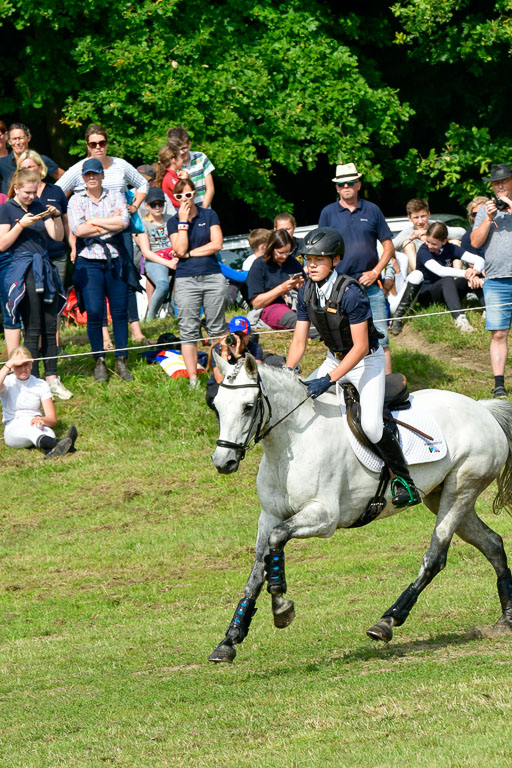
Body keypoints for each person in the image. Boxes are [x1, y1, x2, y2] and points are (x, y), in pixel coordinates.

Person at [286, 227, 420, 509]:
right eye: (308, 258)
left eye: (318, 259)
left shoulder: (351, 293)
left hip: (366, 363)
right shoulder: (305, 292)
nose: (311, 264)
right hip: (334, 359)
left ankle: (404, 480)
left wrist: (329, 378)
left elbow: (359, 347)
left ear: (335, 260)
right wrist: (288, 371)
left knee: (371, 426)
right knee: (298, 404)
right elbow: (299, 339)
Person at [57, 123, 150, 347]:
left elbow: (143, 183)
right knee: (96, 288)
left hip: (120, 230)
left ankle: (136, 330)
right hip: (90, 238)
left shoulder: (119, 165)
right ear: (87, 146)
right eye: (93, 144)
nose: (98, 147)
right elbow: (58, 191)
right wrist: (71, 227)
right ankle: (105, 336)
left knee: (126, 279)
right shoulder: (80, 169)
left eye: (102, 143)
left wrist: (134, 206)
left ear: (107, 143)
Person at [318, 163, 394, 373]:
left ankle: (387, 385)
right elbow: (320, 249)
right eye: (341, 184)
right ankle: (351, 381)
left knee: (381, 336)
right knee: (344, 339)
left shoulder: (372, 210)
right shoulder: (328, 213)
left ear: (358, 184)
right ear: (336, 188)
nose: (346, 187)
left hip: (369, 284)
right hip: (339, 286)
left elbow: (388, 245)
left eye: (350, 183)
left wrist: (376, 271)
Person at [67, 158, 134, 383]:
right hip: (89, 261)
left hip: (115, 259)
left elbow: (123, 222)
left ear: (102, 175)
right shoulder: (76, 200)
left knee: (120, 311)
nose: (92, 178)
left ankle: (121, 359)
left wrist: (94, 221)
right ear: (83, 178)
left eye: (95, 174)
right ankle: (99, 361)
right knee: (95, 312)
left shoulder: (115, 195)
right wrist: (108, 222)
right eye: (88, 175)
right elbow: (78, 229)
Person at [0, 169, 66, 391]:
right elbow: (2, 244)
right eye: (27, 192)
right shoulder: (6, 209)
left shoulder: (39, 206)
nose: (31, 196)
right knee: (32, 326)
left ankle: (52, 377)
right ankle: (32, 380)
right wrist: (21, 225)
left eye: (34, 191)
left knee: (50, 324)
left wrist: (55, 217)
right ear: (16, 189)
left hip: (44, 267)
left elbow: (57, 236)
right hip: (23, 268)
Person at [167, 178, 226, 388]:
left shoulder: (209, 214)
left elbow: (216, 244)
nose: (185, 199)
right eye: (179, 196)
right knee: (188, 328)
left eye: (188, 194)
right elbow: (178, 249)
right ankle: (193, 379)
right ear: (175, 199)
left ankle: (222, 372)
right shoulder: (173, 221)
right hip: (185, 279)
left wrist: (190, 253)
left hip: (212, 275)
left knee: (217, 326)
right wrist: (183, 222)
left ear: (195, 194)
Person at [471, 163, 512, 398]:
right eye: (495, 183)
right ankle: (499, 385)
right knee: (498, 333)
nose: (499, 187)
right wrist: (487, 218)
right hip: (496, 279)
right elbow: (475, 243)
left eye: (503, 181)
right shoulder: (486, 210)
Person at [0, 346, 77, 458]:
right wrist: (9, 363)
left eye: (26, 364)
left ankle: (51, 451)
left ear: (31, 364)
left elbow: (52, 419)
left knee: (49, 433)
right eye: (18, 365)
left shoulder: (40, 384)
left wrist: (42, 420)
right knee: (31, 431)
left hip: (36, 425)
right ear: (12, 367)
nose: (23, 368)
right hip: (14, 427)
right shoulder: (7, 382)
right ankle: (60, 444)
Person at [409, 221, 485, 333]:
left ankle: (488, 309)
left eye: (434, 244)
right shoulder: (423, 251)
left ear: (444, 241)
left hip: (448, 291)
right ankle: (460, 320)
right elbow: (441, 271)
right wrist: (466, 273)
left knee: (475, 275)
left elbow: (479, 260)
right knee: (448, 279)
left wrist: (474, 271)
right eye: (428, 241)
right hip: (427, 293)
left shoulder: (451, 248)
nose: (429, 245)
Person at [246, 229, 305, 331]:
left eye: (288, 252)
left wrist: (301, 288)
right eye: (280, 253)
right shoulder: (259, 265)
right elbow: (256, 303)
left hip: (296, 305)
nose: (284, 256)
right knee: (297, 321)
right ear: (271, 248)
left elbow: (308, 292)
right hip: (270, 307)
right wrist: (281, 288)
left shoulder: (293, 262)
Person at [135, 187, 178, 319]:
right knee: (163, 285)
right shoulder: (142, 223)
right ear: (147, 205)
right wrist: (168, 263)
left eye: (161, 203)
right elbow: (146, 252)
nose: (158, 207)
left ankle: (181, 315)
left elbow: (179, 240)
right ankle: (151, 317)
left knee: (187, 281)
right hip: (154, 259)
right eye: (154, 204)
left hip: (174, 256)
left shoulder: (171, 219)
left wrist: (176, 254)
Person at [392, 198, 466, 272]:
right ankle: (419, 275)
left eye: (423, 216)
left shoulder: (436, 225)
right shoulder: (407, 232)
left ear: (429, 214)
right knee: (407, 244)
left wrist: (429, 232)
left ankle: (457, 276)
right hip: (421, 270)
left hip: (443, 265)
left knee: (455, 241)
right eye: (416, 217)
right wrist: (411, 237)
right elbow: (389, 247)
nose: (420, 221)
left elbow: (462, 233)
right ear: (409, 218)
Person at [205, 315, 263, 409]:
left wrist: (238, 356)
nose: (239, 339)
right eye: (236, 334)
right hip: (224, 387)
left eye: (242, 335)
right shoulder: (219, 348)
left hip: (244, 388)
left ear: (250, 334)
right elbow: (220, 379)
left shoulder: (255, 348)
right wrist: (224, 352)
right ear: (229, 333)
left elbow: (257, 375)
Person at [0, 123, 64, 195]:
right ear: (9, 141)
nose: (17, 142)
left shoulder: (41, 160)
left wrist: (57, 198)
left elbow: (66, 178)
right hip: (10, 205)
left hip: (38, 205)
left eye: (21, 138)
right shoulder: (2, 163)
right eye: (14, 139)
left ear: (28, 138)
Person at [167, 126, 215, 208]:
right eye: (177, 150)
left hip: (204, 209)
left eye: (184, 148)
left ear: (189, 143)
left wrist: (203, 210)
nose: (181, 152)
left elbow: (210, 189)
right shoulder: (173, 165)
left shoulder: (201, 157)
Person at [157, 144, 189, 213]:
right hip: (177, 212)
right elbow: (186, 193)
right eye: (180, 157)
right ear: (174, 160)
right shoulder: (169, 178)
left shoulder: (172, 175)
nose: (182, 159)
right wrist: (186, 180)